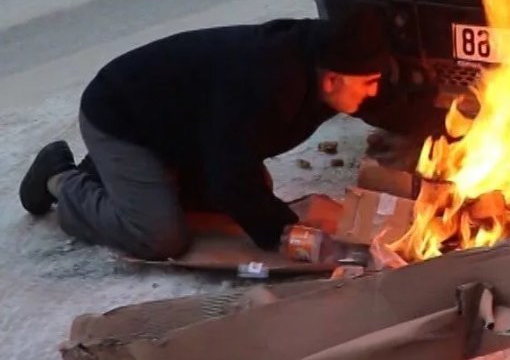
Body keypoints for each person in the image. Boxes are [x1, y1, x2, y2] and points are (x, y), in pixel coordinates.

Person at [18, 19, 393, 261]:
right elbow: (229, 174)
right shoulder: (268, 82)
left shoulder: (320, 65)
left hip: (184, 129)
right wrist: (288, 234)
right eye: (369, 84)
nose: (372, 94)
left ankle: (117, 177)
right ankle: (61, 180)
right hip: (122, 119)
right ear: (332, 80)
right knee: (160, 236)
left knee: (246, 196)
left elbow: (232, 161)